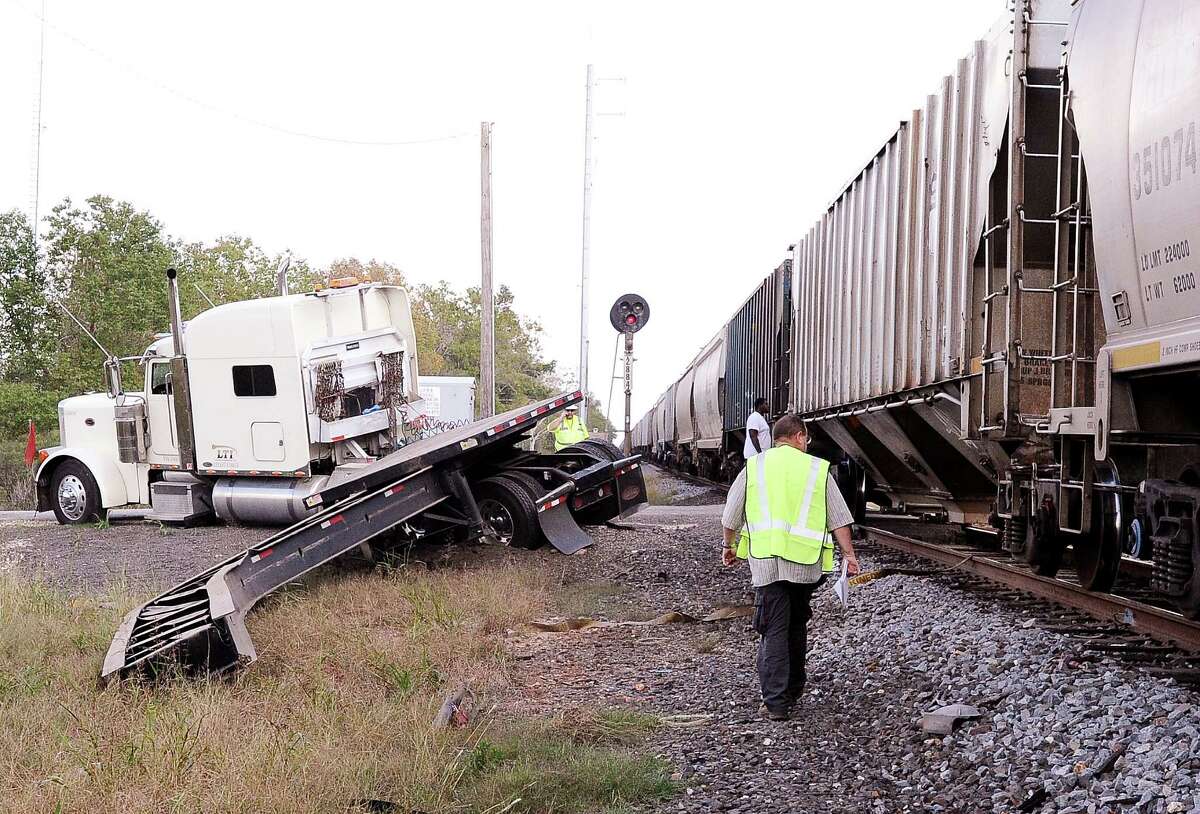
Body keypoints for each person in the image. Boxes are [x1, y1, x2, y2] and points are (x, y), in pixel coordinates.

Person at [720, 413, 860, 721]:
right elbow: (839, 519)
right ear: (798, 436)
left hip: (768, 566)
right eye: (806, 439)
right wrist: (848, 555)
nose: (807, 444)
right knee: (796, 627)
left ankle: (776, 703)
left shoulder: (754, 467)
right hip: (806, 566)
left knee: (774, 629)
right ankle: (793, 690)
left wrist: (728, 547)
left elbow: (731, 516)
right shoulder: (817, 470)